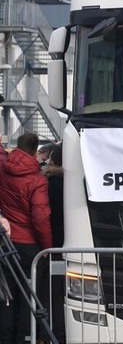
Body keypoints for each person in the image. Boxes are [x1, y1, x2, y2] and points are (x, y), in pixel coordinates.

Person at [0, 132, 52, 344]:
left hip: (6, 243)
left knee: (6, 296)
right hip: (30, 246)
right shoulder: (37, 179)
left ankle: (4, 338)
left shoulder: (3, 168)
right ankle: (23, 339)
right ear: (34, 150)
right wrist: (47, 248)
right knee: (28, 296)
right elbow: (41, 218)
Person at [44, 145, 65, 342]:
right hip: (74, 242)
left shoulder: (49, 184)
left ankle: (54, 332)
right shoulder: (75, 183)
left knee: (53, 292)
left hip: (52, 244)